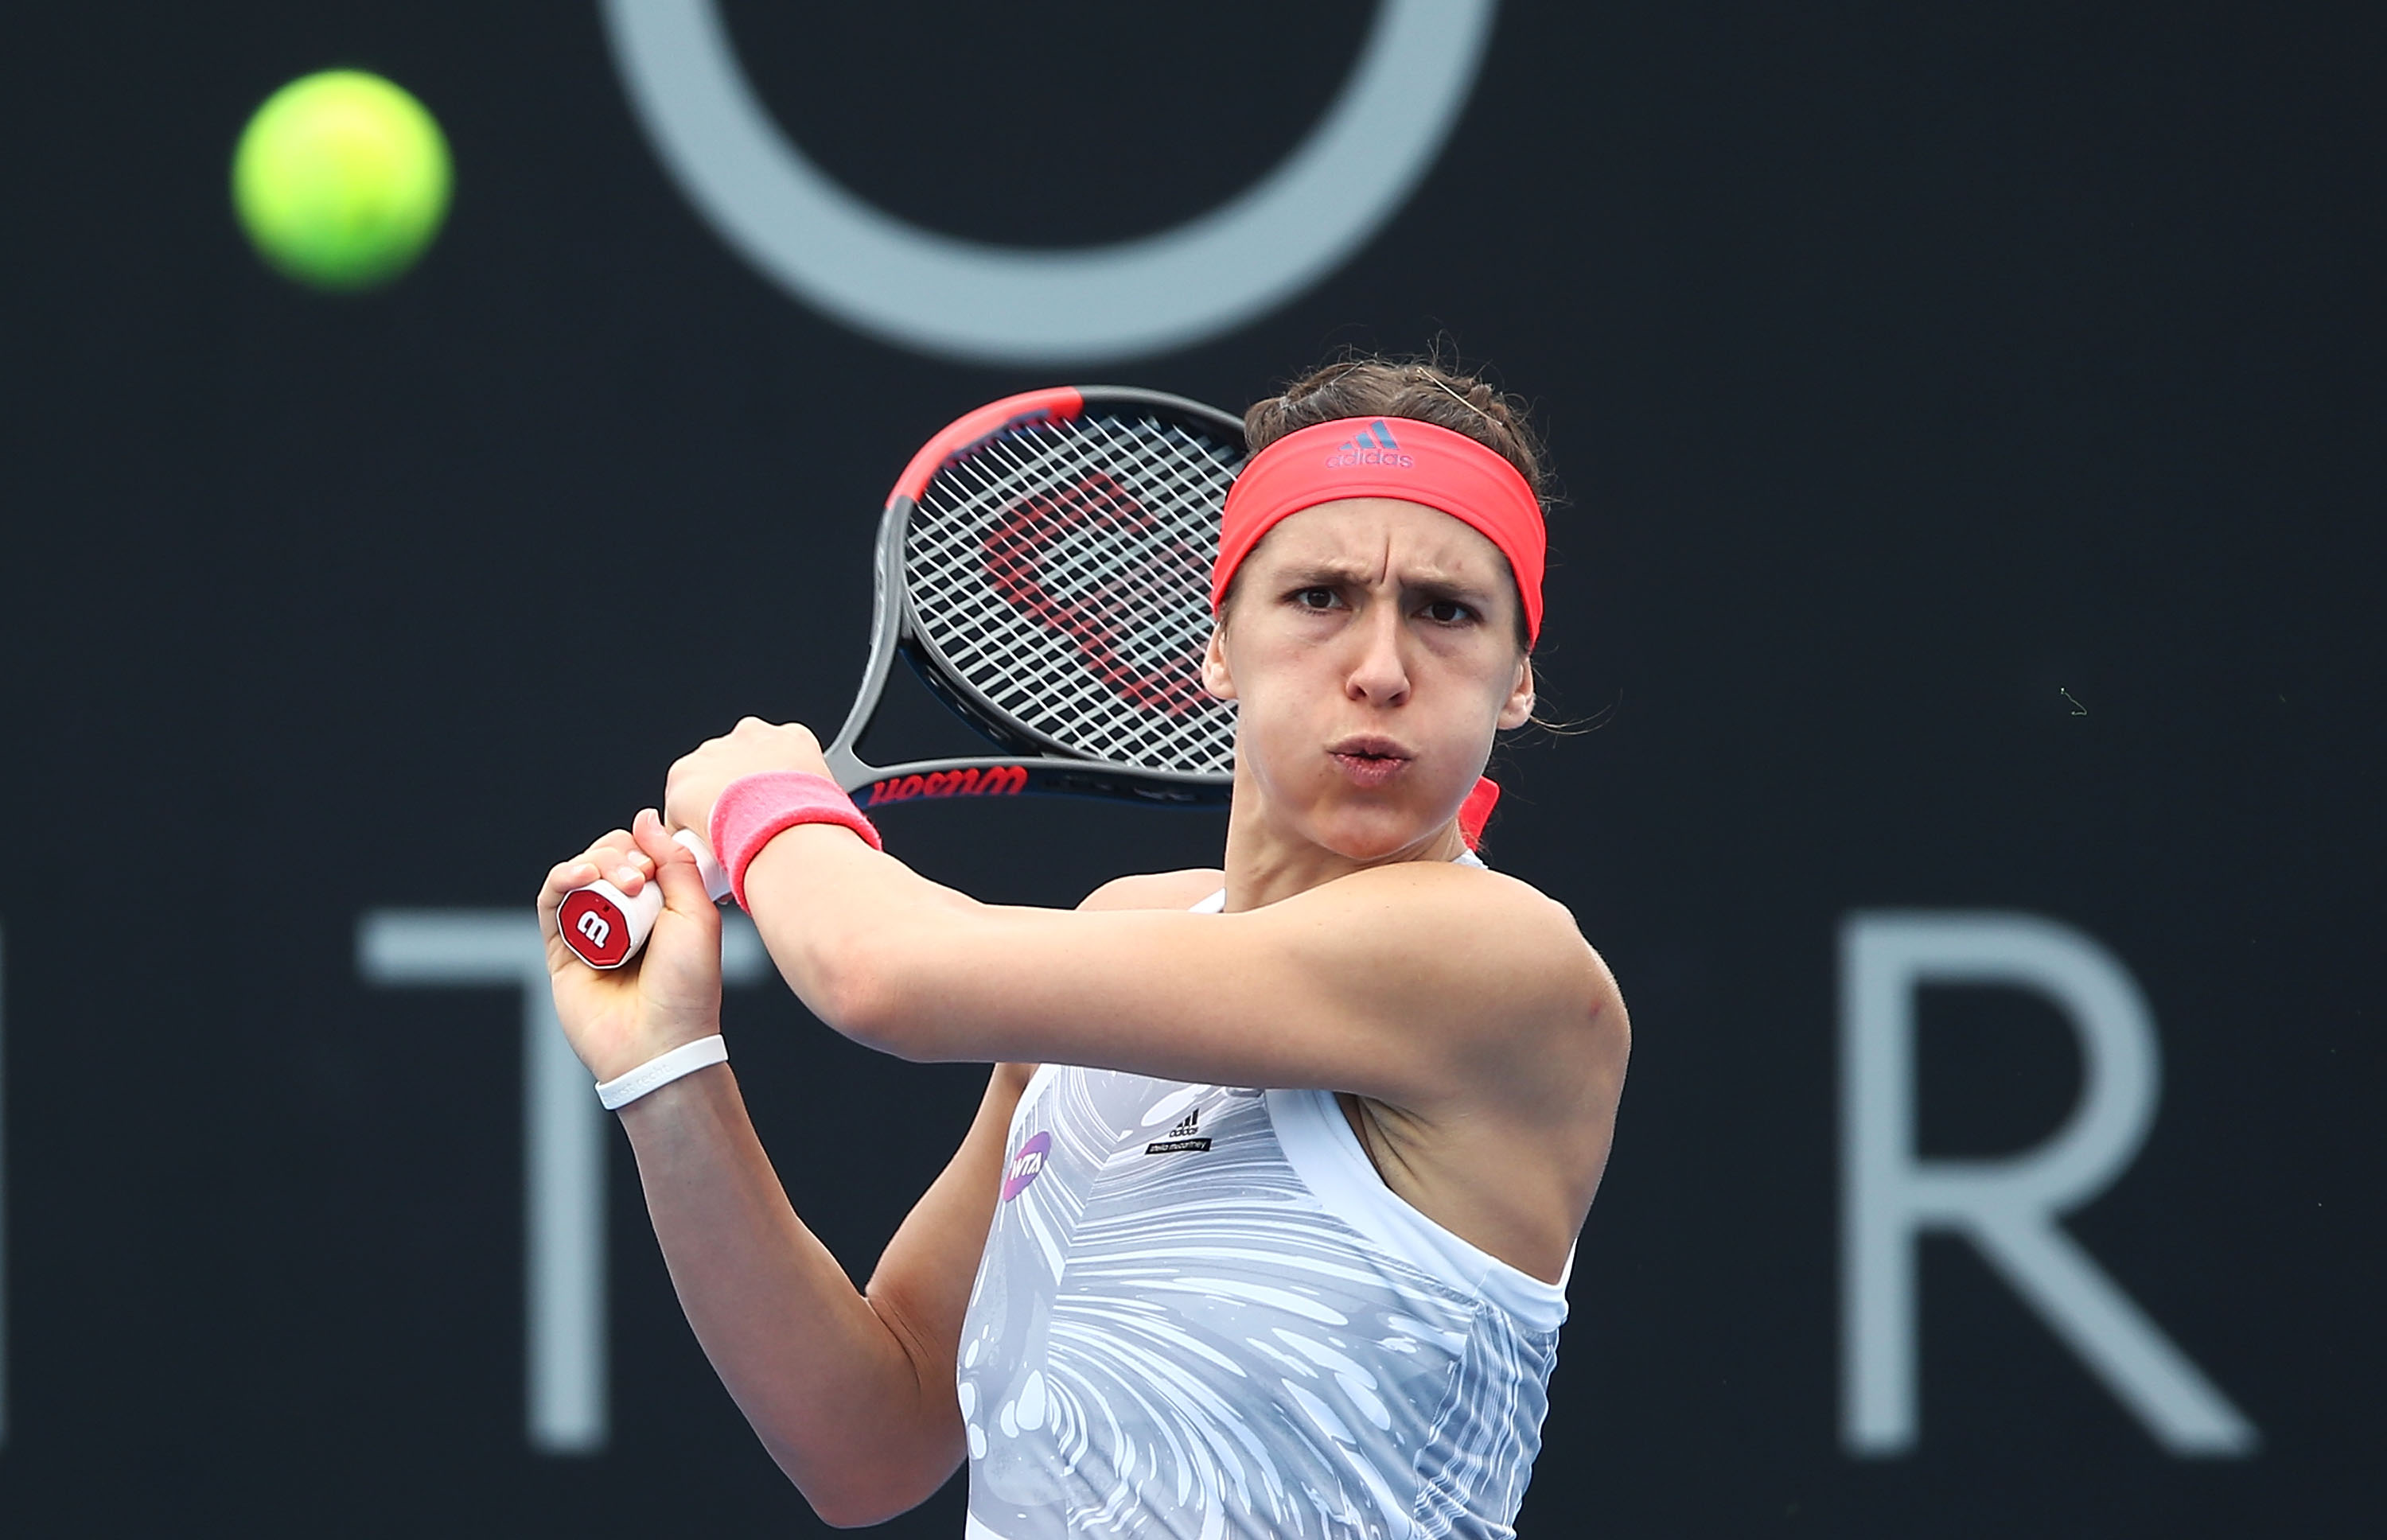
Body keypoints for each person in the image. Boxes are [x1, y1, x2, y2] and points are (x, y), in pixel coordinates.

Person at [538, 356, 1630, 1538]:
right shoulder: (1127, 935)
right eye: (1319, 597)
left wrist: (767, 803)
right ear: (1216, 648)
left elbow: (881, 973)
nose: (1379, 667)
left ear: (1516, 681)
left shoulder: (1501, 961)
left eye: (1445, 609)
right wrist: (666, 1070)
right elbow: (867, 1440)